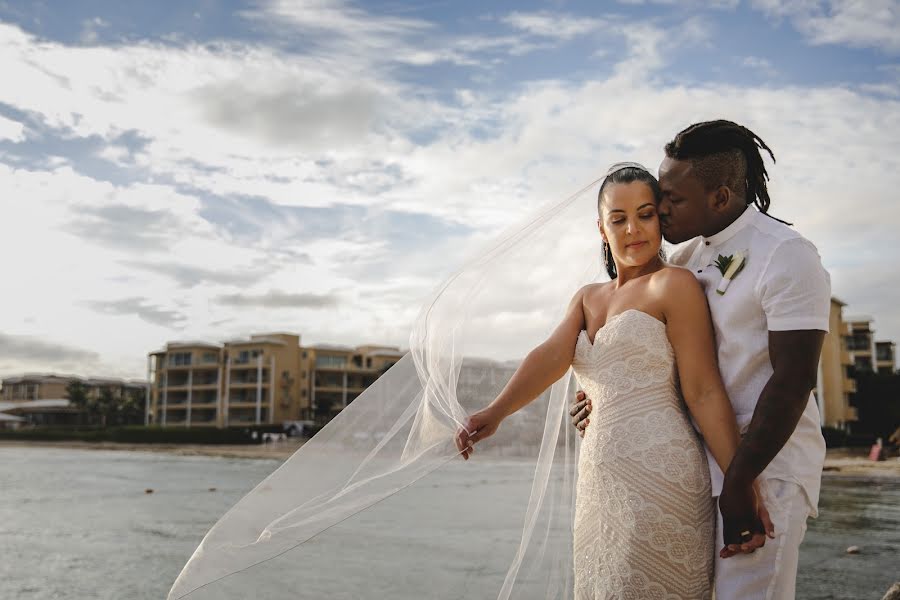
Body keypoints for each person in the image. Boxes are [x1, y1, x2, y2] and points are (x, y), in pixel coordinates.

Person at [455, 163, 764, 599]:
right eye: (618, 219)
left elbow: (703, 391)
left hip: (663, 476)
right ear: (601, 228)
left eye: (645, 214)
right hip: (600, 484)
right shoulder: (587, 297)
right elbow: (549, 356)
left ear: (660, 218)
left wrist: (741, 484)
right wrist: (495, 412)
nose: (633, 229)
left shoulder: (672, 285)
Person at [570, 120, 830, 599]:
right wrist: (604, 398)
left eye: (673, 199)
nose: (661, 210)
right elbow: (653, 350)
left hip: (766, 466)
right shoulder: (685, 259)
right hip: (695, 467)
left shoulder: (788, 256)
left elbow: (794, 382)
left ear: (720, 196)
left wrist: (741, 480)